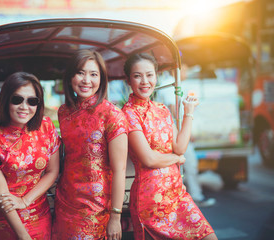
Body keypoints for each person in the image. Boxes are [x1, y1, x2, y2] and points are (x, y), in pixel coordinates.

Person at [121, 53, 217, 240]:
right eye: (137, 76)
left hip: (177, 194)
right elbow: (148, 159)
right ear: (128, 80)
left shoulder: (163, 110)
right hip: (149, 200)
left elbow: (179, 147)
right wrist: (176, 159)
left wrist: (188, 113)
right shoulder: (128, 113)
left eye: (149, 75)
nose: (145, 81)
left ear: (156, 77)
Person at [52, 49, 128, 240]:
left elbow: (120, 170)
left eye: (93, 74)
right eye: (80, 72)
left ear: (102, 79)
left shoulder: (112, 115)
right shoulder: (64, 112)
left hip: (97, 206)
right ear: (70, 77)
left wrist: (115, 217)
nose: (86, 80)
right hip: (65, 201)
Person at [0, 72, 61, 240]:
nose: (24, 107)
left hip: (39, 212)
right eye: (17, 99)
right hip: (4, 217)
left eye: (32, 101)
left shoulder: (46, 126)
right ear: (5, 100)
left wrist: (25, 201)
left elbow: (52, 172)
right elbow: (2, 195)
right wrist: (23, 237)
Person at [156, 66, 216, 207]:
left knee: (184, 166)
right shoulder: (170, 84)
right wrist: (185, 130)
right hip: (176, 133)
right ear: (176, 70)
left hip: (175, 132)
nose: (187, 73)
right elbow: (174, 109)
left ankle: (187, 197)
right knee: (189, 164)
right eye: (185, 69)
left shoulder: (172, 84)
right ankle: (194, 197)